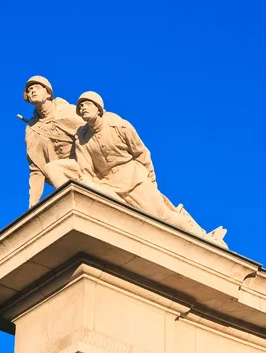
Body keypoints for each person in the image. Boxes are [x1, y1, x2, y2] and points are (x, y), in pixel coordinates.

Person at [45, 91, 226, 245]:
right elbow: (86, 169)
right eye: (80, 107)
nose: (82, 108)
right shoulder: (81, 136)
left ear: (98, 108)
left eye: (86, 105)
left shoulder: (119, 125)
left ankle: (201, 238)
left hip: (133, 177)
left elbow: (142, 154)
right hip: (108, 183)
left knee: (162, 215)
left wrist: (150, 183)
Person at [22, 76, 83, 207]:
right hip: (62, 174)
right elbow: (36, 169)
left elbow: (91, 135)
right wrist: (33, 204)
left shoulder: (67, 111)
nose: (32, 91)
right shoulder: (32, 129)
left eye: (37, 87)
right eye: (29, 89)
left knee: (52, 168)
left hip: (84, 165)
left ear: (48, 93)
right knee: (51, 168)